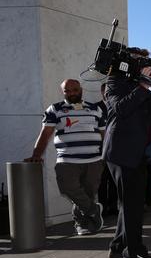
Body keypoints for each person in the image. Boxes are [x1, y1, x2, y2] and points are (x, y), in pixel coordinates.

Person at [103, 48, 151, 258]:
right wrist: (143, 86)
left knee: (129, 203)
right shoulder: (115, 81)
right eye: (141, 61)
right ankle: (134, 254)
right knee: (132, 205)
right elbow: (120, 109)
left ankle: (118, 246)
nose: (145, 65)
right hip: (121, 151)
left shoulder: (144, 87)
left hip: (138, 152)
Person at [25, 79, 106, 236]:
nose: (72, 93)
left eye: (75, 90)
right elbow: (45, 134)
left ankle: (83, 224)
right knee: (69, 188)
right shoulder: (55, 109)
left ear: (81, 90)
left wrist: (105, 156)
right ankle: (94, 209)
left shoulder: (95, 109)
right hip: (67, 161)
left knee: (87, 194)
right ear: (63, 92)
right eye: (67, 91)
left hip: (94, 161)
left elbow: (103, 134)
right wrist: (36, 155)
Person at [96, 83, 118, 216]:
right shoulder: (95, 108)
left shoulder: (118, 106)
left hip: (115, 150)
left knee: (114, 180)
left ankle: (113, 206)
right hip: (99, 151)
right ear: (102, 92)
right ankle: (103, 208)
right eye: (107, 91)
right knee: (102, 181)